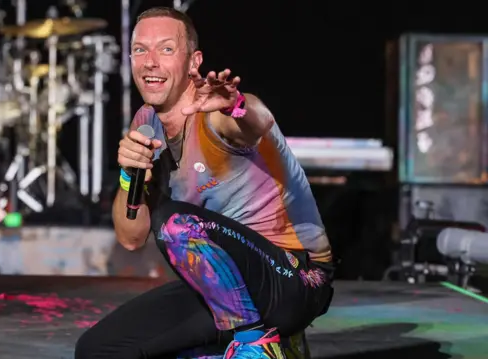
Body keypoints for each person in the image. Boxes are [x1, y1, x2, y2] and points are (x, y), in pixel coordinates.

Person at [75, 6, 334, 359]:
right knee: (98, 350)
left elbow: (257, 121)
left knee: (176, 224)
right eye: (140, 49)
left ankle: (255, 345)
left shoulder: (214, 111)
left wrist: (236, 104)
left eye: (166, 49)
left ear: (193, 62)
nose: (150, 61)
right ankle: (275, 343)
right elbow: (131, 237)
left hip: (296, 280)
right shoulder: (145, 124)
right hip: (228, 288)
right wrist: (128, 175)